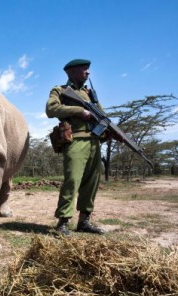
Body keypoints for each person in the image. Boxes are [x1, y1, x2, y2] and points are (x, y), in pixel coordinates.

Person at [45, 59, 108, 236]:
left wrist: (110, 131)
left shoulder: (90, 94)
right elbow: (51, 109)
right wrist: (79, 111)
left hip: (95, 142)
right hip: (76, 141)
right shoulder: (61, 90)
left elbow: (102, 116)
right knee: (72, 180)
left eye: (88, 70)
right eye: (84, 70)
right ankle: (63, 222)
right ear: (72, 72)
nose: (88, 73)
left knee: (92, 183)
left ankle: (84, 221)